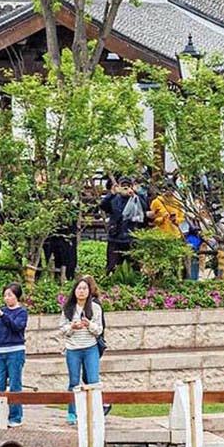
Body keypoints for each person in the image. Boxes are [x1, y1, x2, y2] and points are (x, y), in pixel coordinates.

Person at [61, 276, 106, 424]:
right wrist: (72, 327)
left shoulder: (95, 308)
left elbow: (99, 330)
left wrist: (89, 325)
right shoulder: (68, 308)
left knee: (93, 381)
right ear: (74, 291)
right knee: (74, 381)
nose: (81, 291)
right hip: (73, 348)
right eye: (79, 288)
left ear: (89, 291)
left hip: (90, 348)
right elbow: (62, 329)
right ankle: (72, 413)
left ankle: (95, 412)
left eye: (84, 289)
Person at [0, 282, 28, 426]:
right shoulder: (0, 312)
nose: (7, 298)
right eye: (5, 295)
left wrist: (3, 315)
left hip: (15, 350)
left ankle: (15, 417)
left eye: (10, 295)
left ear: (17, 296)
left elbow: (16, 327)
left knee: (15, 385)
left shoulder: (21, 312)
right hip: (0, 351)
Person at [100, 178, 145, 273]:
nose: (125, 188)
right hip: (115, 237)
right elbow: (103, 206)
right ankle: (112, 283)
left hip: (132, 237)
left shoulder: (136, 198)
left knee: (134, 266)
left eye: (128, 186)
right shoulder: (114, 199)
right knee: (112, 265)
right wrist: (111, 194)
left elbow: (145, 208)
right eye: (123, 186)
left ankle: (133, 284)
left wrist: (137, 194)